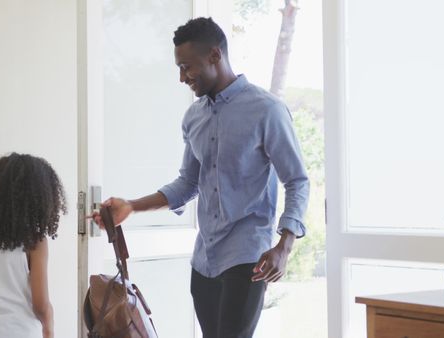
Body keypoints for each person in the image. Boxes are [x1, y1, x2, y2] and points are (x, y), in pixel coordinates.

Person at [93, 17, 309, 338]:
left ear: (214, 56)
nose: (182, 78)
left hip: (247, 257)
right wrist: (131, 206)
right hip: (204, 261)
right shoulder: (194, 117)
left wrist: (284, 246)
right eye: (178, 68)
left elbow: (297, 181)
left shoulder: (267, 110)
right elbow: (186, 185)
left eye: (186, 67)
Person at [0, 153, 67, 338]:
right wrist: (49, 328)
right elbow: (41, 305)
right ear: (41, 198)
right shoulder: (35, 241)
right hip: (20, 331)